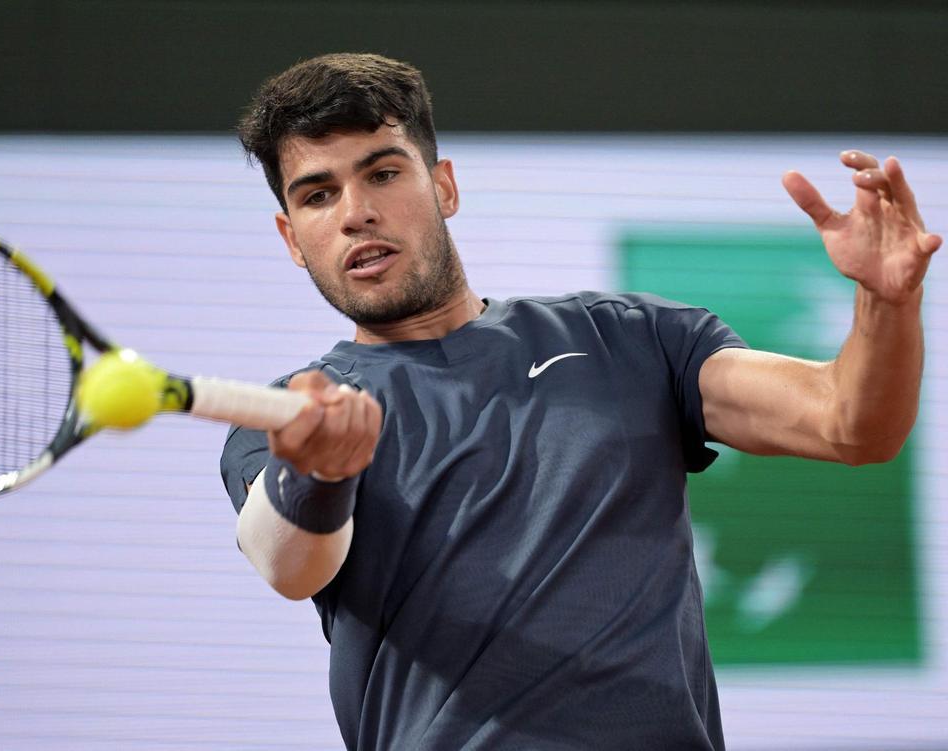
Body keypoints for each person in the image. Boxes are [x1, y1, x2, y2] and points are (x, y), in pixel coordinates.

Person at [219, 53, 940, 750]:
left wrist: (885, 301)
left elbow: (853, 424)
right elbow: (291, 566)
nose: (356, 214)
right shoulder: (288, 416)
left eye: (382, 173)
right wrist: (316, 472)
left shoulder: (633, 338)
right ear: (292, 237)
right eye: (318, 194)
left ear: (444, 187)